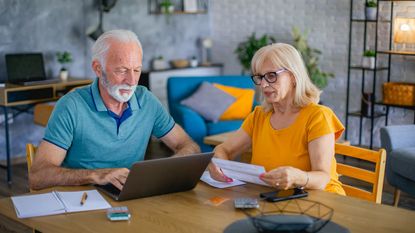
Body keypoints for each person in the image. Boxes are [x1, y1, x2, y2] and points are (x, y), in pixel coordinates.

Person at [29, 30, 200, 190]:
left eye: (136, 70)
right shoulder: (71, 106)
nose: (132, 81)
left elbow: (187, 145)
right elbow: (38, 175)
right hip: (81, 201)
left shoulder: (146, 100)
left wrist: (170, 168)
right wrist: (94, 175)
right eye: (122, 70)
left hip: (129, 197)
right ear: (97, 68)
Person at [208, 43, 345, 195]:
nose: (264, 84)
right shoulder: (259, 115)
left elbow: (322, 178)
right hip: (273, 198)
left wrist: (298, 177)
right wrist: (217, 163)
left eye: (272, 76)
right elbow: (224, 149)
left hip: (320, 200)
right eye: (260, 77)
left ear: (293, 76)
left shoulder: (318, 116)